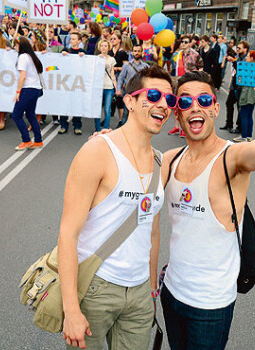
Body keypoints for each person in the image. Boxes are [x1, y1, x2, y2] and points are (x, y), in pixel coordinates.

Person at [161, 60, 255, 349]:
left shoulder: (231, 157)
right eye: (186, 101)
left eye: (204, 99)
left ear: (215, 109)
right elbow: (132, 176)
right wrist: (107, 140)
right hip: (171, 292)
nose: (196, 106)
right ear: (178, 114)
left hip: (210, 305)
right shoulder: (170, 160)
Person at [58, 65, 175, 350]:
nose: (163, 105)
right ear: (130, 101)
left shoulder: (160, 161)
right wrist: (72, 309)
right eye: (154, 95)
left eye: (169, 100)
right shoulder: (98, 151)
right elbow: (67, 234)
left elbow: (153, 232)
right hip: (96, 289)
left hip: (138, 295)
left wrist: (150, 290)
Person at [11, 37, 44, 151]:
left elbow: (23, 76)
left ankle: (26, 140)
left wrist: (18, 91)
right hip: (35, 88)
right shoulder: (31, 56)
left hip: (27, 88)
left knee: (16, 115)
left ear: (20, 46)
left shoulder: (22, 57)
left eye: (15, 45)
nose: (14, 47)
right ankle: (38, 140)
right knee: (30, 114)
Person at [168, 34, 203, 137]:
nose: (183, 44)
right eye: (182, 42)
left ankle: (184, 128)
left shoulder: (195, 55)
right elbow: (173, 69)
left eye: (186, 42)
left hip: (190, 83)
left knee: (187, 105)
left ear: (190, 44)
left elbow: (201, 68)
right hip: (179, 81)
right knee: (177, 104)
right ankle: (176, 126)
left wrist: (197, 80)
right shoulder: (177, 55)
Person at [116, 44, 150, 126]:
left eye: (138, 51)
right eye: (135, 51)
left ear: (141, 52)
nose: (136, 53)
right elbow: (121, 78)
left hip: (141, 93)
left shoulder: (146, 66)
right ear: (132, 52)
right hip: (128, 92)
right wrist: (118, 89)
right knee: (126, 113)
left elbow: (148, 81)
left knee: (139, 113)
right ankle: (123, 131)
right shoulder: (126, 65)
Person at [60, 33, 86, 135]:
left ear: (79, 41)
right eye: (71, 39)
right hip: (66, 81)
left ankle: (77, 126)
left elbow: (87, 65)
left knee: (77, 103)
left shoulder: (82, 52)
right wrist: (63, 55)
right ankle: (63, 125)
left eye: (74, 39)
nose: (71, 41)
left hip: (77, 82)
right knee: (64, 103)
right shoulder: (66, 50)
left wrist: (84, 57)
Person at [220, 41, 248, 133]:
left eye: (240, 48)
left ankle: (239, 127)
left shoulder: (246, 58)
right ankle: (229, 124)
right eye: (237, 48)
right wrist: (231, 84)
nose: (238, 50)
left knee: (240, 107)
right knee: (229, 103)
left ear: (245, 49)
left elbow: (241, 68)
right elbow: (234, 72)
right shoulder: (238, 57)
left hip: (242, 86)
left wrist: (234, 61)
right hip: (235, 84)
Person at [233, 50, 255, 142]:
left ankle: (244, 136)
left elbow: (240, 79)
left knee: (244, 114)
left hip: (247, 92)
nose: (246, 57)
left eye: (248, 56)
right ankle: (249, 136)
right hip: (254, 93)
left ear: (252, 58)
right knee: (249, 115)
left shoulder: (249, 67)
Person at [109, 31, 129, 128]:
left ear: (119, 40)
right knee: (110, 99)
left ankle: (121, 120)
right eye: (111, 39)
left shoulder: (122, 53)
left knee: (119, 99)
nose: (112, 40)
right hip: (109, 77)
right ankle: (108, 117)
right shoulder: (109, 51)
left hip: (118, 77)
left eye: (114, 39)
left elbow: (126, 67)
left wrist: (116, 68)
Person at [98, 39, 117, 131]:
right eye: (102, 46)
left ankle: (105, 127)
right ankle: (97, 128)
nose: (103, 48)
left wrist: (116, 87)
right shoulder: (96, 58)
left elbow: (112, 74)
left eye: (105, 46)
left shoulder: (111, 59)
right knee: (97, 108)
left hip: (109, 86)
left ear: (109, 47)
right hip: (98, 87)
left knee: (107, 108)